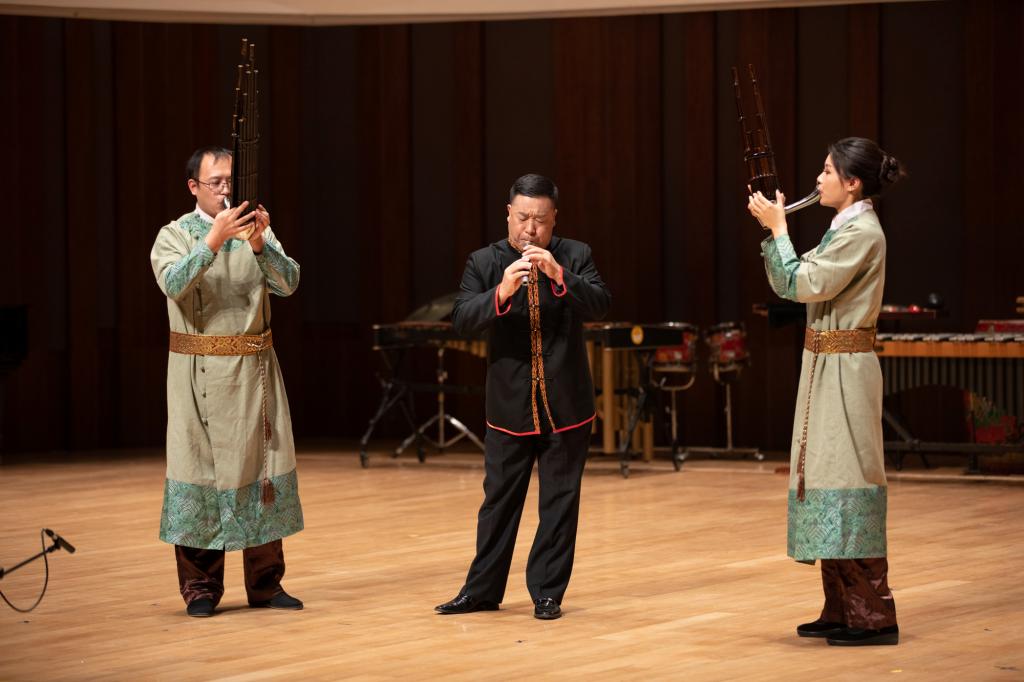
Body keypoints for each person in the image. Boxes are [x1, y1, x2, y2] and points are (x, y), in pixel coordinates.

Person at [748, 137, 906, 646]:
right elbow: (792, 280)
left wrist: (778, 231)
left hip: (846, 370)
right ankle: (842, 606)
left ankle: (874, 615)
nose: (818, 180)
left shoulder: (863, 232)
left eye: (826, 171)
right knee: (822, 476)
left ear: (852, 182)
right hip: (823, 365)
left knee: (848, 476)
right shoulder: (845, 228)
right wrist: (778, 233)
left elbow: (805, 283)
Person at [435, 173, 611, 620]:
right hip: (509, 407)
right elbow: (460, 319)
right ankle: (481, 591)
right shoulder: (483, 262)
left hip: (567, 407)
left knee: (559, 501)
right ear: (508, 214)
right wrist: (501, 291)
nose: (530, 229)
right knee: (498, 503)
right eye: (523, 218)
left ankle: (547, 593)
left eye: (541, 220)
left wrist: (559, 275)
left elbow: (600, 303)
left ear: (554, 221)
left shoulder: (576, 255)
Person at [150, 146, 304, 618]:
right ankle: (200, 587)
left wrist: (259, 245)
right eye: (214, 182)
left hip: (254, 372)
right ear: (193, 186)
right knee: (199, 471)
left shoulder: (257, 229)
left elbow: (290, 282)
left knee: (262, 472)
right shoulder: (174, 234)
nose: (224, 190)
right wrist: (213, 241)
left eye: (229, 182)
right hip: (197, 373)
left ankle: (265, 582)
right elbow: (174, 283)